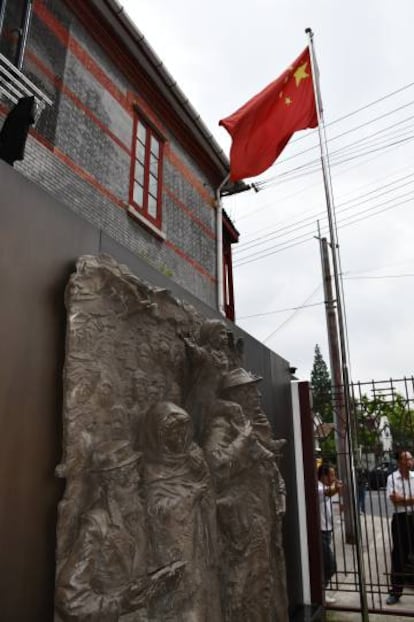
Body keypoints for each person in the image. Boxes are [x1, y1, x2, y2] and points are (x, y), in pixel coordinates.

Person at [385, 449, 414, 605]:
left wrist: (405, 499)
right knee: (399, 555)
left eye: (411, 458)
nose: (410, 461)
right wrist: (411, 500)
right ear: (400, 462)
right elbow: (394, 500)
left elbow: (400, 499)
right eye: (406, 459)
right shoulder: (392, 478)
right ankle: (395, 592)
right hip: (400, 519)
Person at [318, 463, 343, 604]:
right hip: (320, 531)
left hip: (327, 530)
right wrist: (336, 489)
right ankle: (321, 591)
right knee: (330, 565)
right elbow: (328, 492)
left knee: (325, 564)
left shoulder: (326, 487)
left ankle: (321, 591)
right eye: (332, 474)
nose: (334, 477)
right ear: (323, 475)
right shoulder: (318, 487)